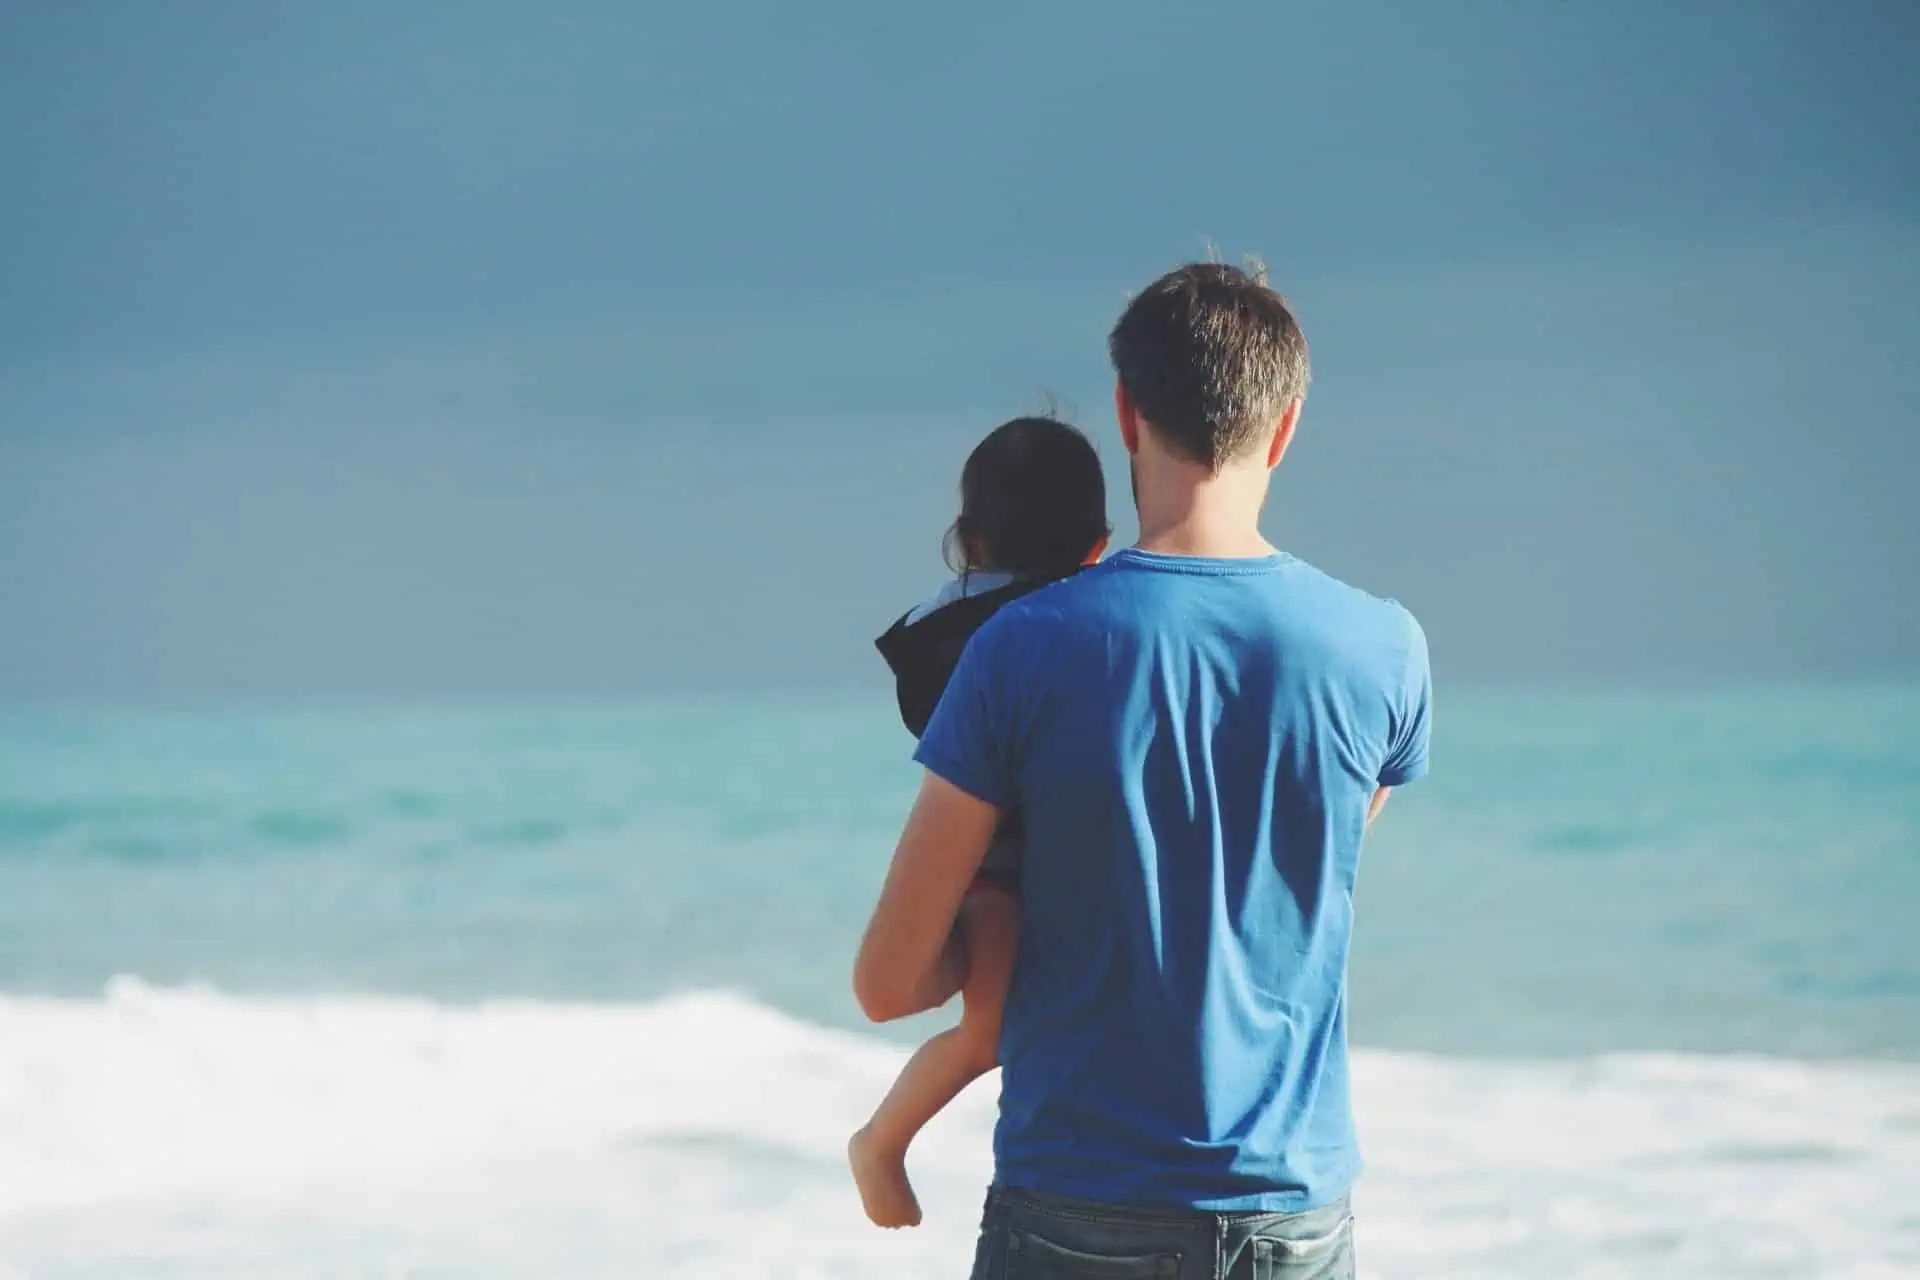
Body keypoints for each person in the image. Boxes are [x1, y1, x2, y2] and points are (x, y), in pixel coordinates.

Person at [853, 262, 1432, 1278]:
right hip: (1292, 1213)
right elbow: (1290, 884)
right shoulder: (1385, 648)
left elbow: (890, 982)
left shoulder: (1021, 646)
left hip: (1079, 1203)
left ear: (1128, 412)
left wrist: (993, 936)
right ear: (1287, 425)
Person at [849, 415, 1110, 1229]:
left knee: (990, 1028)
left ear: (965, 536)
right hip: (994, 865)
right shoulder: (1080, 621)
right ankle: (880, 1142)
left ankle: (883, 1141)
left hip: (983, 862)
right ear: (1099, 545)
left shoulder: (945, 623)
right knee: (990, 1030)